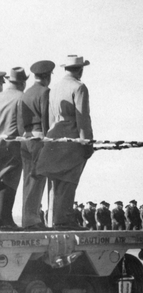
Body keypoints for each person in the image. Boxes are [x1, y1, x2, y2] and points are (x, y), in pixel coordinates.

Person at [35, 55, 93, 229]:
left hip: (55, 139)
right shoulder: (79, 87)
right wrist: (87, 143)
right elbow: (82, 118)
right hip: (72, 141)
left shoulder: (55, 88)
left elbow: (50, 117)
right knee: (70, 180)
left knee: (58, 181)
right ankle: (64, 220)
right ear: (80, 69)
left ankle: (59, 219)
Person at [17, 60, 54, 229]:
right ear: (47, 76)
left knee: (28, 179)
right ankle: (32, 220)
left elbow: (19, 119)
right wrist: (48, 140)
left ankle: (27, 218)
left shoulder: (25, 93)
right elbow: (46, 118)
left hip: (25, 137)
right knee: (37, 179)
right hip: (39, 137)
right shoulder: (45, 92)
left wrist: (23, 135)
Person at [0, 67, 27, 229]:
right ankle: (6, 219)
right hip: (12, 143)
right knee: (10, 179)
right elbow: (22, 125)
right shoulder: (21, 98)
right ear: (23, 82)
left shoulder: (1, 96)